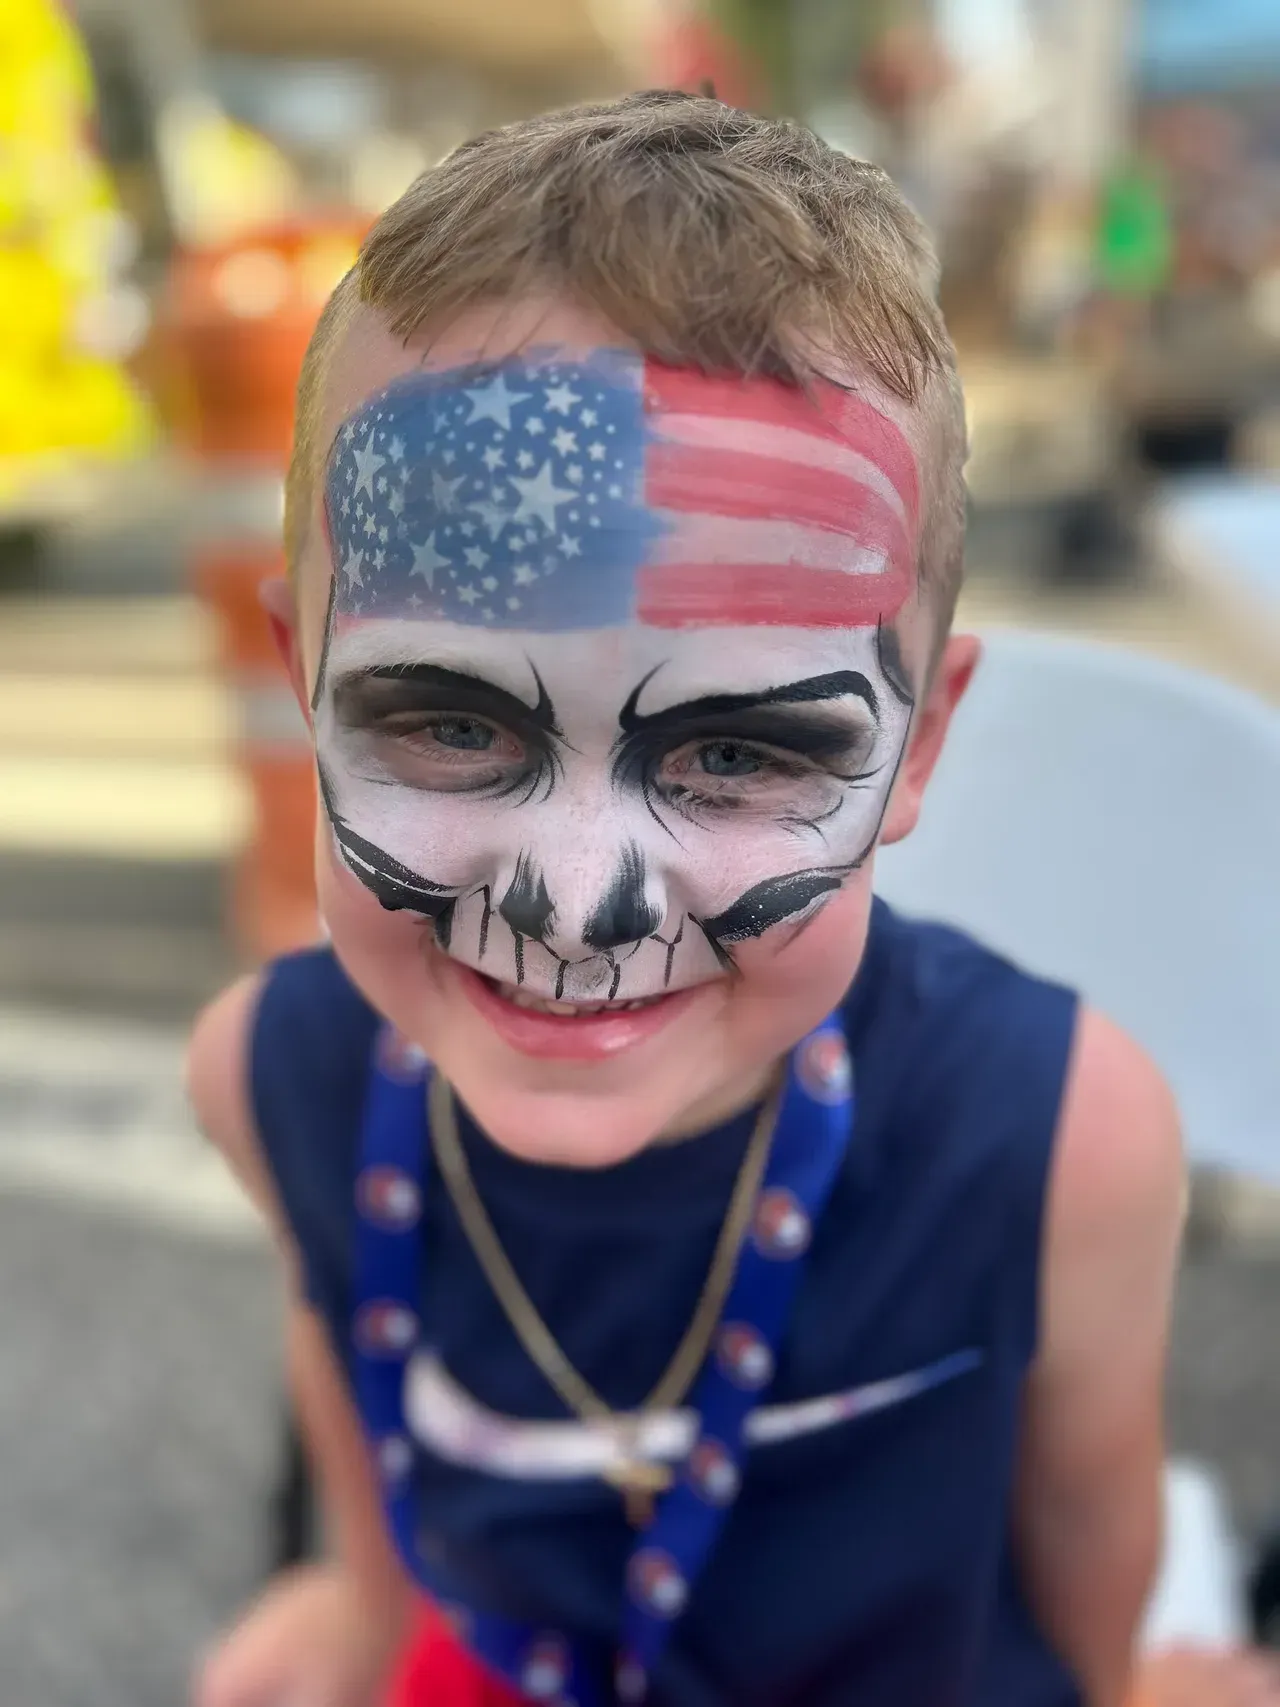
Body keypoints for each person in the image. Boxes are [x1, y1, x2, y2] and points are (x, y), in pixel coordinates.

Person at [188, 92, 1188, 1707]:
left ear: (919, 743)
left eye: (733, 749)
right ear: (301, 677)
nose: (580, 902)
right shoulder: (273, 1072)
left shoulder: (1065, 1134)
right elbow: (345, 1361)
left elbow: (1088, 1533)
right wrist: (356, 1603)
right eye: (451, 722)